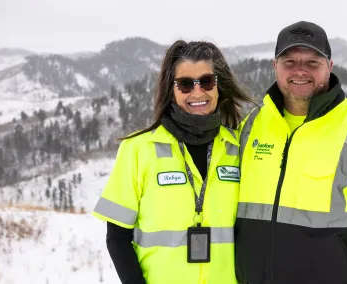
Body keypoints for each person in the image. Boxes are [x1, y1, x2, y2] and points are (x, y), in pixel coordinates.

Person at [233, 21, 347, 284]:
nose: (300, 70)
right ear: (275, 65)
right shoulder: (251, 126)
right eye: (289, 62)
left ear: (329, 66)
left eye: (312, 62)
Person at [91, 39, 254, 284]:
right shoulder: (138, 150)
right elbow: (117, 238)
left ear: (218, 86)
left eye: (206, 81)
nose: (197, 92)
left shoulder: (238, 149)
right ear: (171, 89)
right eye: (185, 84)